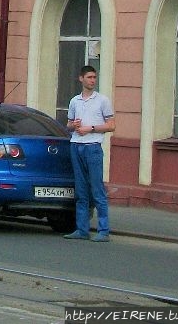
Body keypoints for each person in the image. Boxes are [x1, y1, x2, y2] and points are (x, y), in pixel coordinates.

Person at [64, 63, 114, 242]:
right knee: (81, 190)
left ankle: (103, 230)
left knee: (97, 189)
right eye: (89, 77)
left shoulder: (102, 100)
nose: (92, 81)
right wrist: (74, 126)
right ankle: (82, 229)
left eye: (94, 78)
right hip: (76, 145)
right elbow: (69, 125)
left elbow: (111, 125)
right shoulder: (74, 101)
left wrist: (91, 128)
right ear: (81, 79)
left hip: (92, 147)